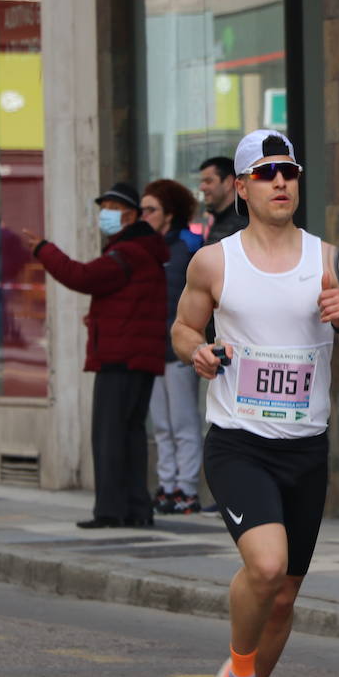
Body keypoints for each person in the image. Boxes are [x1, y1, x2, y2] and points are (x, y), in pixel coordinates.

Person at [172, 129, 339, 677]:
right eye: (265, 173)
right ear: (242, 187)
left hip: (305, 449)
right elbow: (182, 327)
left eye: (288, 170)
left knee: (285, 598)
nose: (280, 181)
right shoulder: (214, 262)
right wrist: (196, 351)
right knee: (267, 567)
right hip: (238, 442)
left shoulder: (327, 261)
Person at [23, 183, 168, 529]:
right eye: (102, 207)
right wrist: (100, 318)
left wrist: (44, 250)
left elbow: (83, 276)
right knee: (130, 435)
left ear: (130, 215)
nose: (103, 214)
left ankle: (110, 511)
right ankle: (136, 508)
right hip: (136, 355)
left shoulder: (127, 252)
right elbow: (129, 302)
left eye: (111, 207)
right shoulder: (142, 251)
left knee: (109, 435)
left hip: (121, 357)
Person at [141, 179, 204, 515]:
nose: (144, 215)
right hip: (152, 348)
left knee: (183, 423)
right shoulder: (148, 246)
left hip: (180, 348)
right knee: (162, 425)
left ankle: (187, 489)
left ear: (169, 212)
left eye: (151, 209)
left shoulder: (189, 244)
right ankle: (166, 486)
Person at [200, 156, 246, 246]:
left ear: (228, 182)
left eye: (208, 181)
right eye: (202, 182)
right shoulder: (220, 219)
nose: (202, 187)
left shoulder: (242, 225)